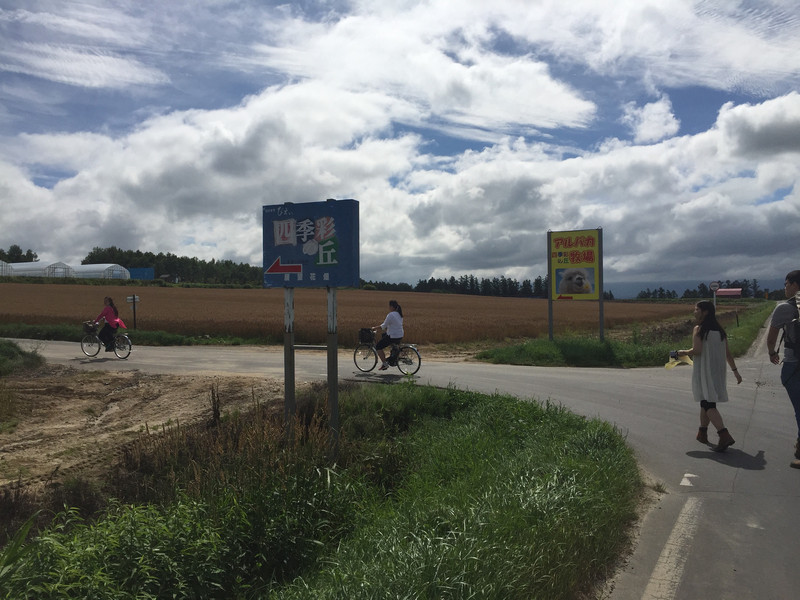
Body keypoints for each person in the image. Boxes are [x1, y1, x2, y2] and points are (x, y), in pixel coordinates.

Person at [676, 300, 742, 452]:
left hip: (704, 370)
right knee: (706, 401)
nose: (694, 311)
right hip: (718, 371)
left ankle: (724, 434)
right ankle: (702, 433)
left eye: (696, 309)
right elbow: (728, 354)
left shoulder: (699, 329)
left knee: (708, 404)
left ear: (705, 312)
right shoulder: (720, 331)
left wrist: (683, 352)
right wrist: (735, 371)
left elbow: (697, 350)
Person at [766, 270, 800, 469]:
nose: (785, 287)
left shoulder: (784, 309)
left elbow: (771, 339)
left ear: (795, 285)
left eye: (787, 283)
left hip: (794, 364)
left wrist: (772, 353)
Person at [372, 299, 404, 371]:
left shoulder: (391, 315)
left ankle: (385, 364)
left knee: (378, 346)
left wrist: (374, 328)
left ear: (392, 307)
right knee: (384, 335)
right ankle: (393, 353)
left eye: (389, 306)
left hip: (393, 336)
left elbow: (383, 326)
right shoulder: (399, 314)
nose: (388, 308)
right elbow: (393, 325)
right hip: (400, 334)